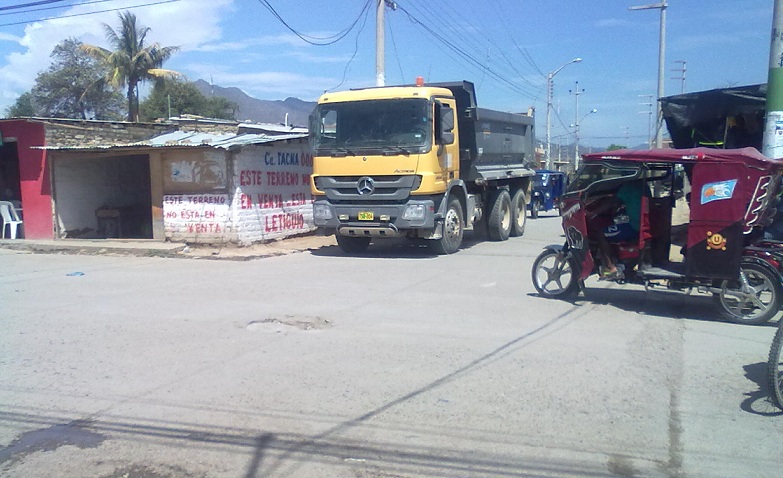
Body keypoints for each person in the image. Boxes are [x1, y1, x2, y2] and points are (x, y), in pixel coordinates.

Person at [586, 180, 645, 280]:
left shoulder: (629, 186)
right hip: (642, 224)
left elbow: (612, 202)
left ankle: (610, 267)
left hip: (634, 226)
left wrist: (593, 213)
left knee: (602, 234)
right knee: (613, 228)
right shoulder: (643, 185)